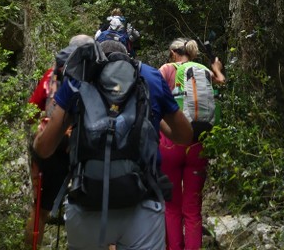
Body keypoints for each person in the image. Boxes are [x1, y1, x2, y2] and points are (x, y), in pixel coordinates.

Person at [33, 37, 193, 250]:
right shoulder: (150, 77)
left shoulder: (79, 77)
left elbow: (44, 149)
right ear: (128, 59)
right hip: (142, 207)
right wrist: (153, 117)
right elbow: (184, 135)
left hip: (87, 205)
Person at [158, 38, 225, 250]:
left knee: (171, 207)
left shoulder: (167, 69)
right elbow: (221, 81)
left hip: (172, 142)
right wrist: (216, 68)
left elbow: (152, 96)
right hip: (199, 143)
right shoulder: (203, 70)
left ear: (172, 52)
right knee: (193, 209)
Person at [23, 39, 83, 249]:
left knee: (40, 208)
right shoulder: (91, 76)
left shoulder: (51, 75)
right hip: (78, 145)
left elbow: (31, 112)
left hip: (48, 143)